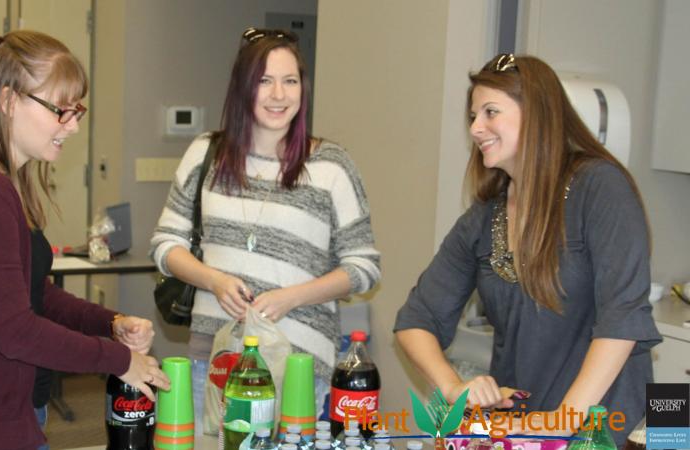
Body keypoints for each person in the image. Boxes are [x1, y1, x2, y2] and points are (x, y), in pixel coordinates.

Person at [0, 30, 170, 450]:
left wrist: (109, 324)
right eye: (61, 110)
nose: (74, 125)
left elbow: (31, 293)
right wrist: (121, 362)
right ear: (8, 102)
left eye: (77, 110)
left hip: (9, 410)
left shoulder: (0, 182)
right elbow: (15, 330)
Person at [394, 54, 661, 446]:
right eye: (472, 116)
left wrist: (562, 421)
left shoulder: (600, 187)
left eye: (490, 112)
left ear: (536, 114)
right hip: (525, 431)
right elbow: (415, 321)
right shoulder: (485, 216)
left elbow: (623, 322)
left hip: (612, 428)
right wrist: (453, 389)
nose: (476, 128)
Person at [151, 27, 380, 429]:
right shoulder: (206, 153)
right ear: (242, 88)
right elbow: (165, 245)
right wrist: (215, 281)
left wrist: (292, 297)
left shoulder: (331, 166)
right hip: (216, 360)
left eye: (290, 81)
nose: (279, 95)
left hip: (297, 366)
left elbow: (364, 268)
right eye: (265, 81)